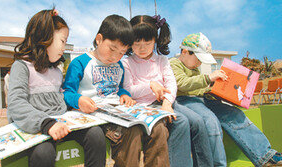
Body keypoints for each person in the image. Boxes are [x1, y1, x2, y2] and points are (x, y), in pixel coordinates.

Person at [63, 14, 168, 167]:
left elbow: (118, 89)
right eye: (112, 49)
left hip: (118, 112)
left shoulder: (118, 66)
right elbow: (67, 92)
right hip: (94, 115)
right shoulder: (80, 63)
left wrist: (124, 95)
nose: (115, 56)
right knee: (132, 131)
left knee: (157, 128)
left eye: (121, 52)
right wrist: (78, 100)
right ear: (99, 39)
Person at [7, 8, 106, 167]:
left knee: (96, 134)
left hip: (61, 123)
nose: (64, 47)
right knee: (44, 153)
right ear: (44, 37)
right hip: (36, 127)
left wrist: (77, 104)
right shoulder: (22, 67)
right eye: (62, 41)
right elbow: (16, 103)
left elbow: (59, 99)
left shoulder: (56, 71)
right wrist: (46, 123)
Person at [169, 32, 282, 167]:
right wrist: (208, 78)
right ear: (185, 52)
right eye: (198, 59)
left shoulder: (193, 66)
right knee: (211, 122)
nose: (199, 63)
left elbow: (197, 87)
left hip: (202, 99)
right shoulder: (173, 63)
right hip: (185, 101)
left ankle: (265, 156)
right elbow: (182, 83)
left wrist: (215, 90)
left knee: (234, 113)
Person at [123, 15, 213, 167]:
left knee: (197, 121)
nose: (142, 47)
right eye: (137, 42)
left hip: (165, 103)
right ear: (130, 41)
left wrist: (167, 103)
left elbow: (171, 85)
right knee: (181, 122)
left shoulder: (162, 60)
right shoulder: (127, 62)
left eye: (147, 41)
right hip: (144, 107)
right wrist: (150, 85)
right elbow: (128, 90)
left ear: (155, 40)